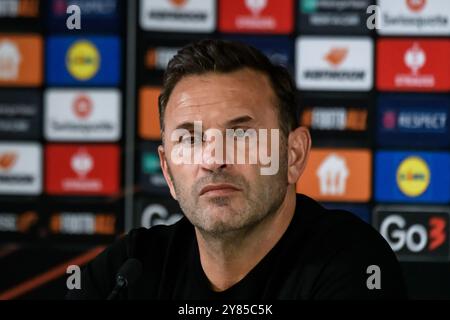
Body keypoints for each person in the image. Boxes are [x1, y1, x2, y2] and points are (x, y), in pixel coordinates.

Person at [67, 39, 407, 300]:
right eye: (190, 139)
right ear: (168, 172)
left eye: (242, 135)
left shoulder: (352, 263)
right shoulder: (131, 269)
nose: (213, 160)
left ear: (293, 155)